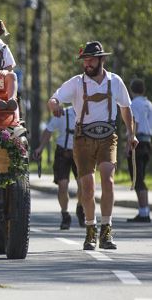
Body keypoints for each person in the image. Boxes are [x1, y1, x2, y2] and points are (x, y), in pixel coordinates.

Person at [47, 41, 138, 250]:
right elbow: (55, 98)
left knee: (108, 180)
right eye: (84, 60)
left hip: (108, 136)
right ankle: (90, 230)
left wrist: (131, 133)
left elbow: (126, 109)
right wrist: (54, 105)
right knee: (87, 186)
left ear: (101, 59)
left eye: (91, 59)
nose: (87, 63)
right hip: (83, 138)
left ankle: (106, 229)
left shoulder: (115, 82)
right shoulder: (77, 83)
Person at [33, 106, 85, 229]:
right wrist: (40, 148)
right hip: (63, 152)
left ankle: (80, 207)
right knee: (63, 185)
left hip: (81, 153)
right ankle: (65, 214)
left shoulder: (88, 114)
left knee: (83, 184)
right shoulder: (62, 114)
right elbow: (49, 130)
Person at [126, 78, 152, 222]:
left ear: (131, 90)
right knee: (141, 178)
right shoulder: (149, 104)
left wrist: (127, 145)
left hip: (137, 142)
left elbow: (134, 123)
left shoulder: (134, 104)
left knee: (137, 178)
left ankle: (143, 213)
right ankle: (144, 211)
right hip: (147, 142)